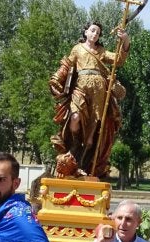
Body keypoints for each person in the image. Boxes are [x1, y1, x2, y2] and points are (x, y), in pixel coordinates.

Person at [49, 22, 130, 178]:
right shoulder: (77, 49)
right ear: (85, 32)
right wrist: (56, 79)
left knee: (92, 135)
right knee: (75, 117)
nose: (95, 34)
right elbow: (66, 65)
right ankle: (73, 145)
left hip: (98, 94)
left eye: (98, 33)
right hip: (81, 88)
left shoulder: (101, 51)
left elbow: (119, 60)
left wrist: (125, 40)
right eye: (92, 31)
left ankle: (83, 164)